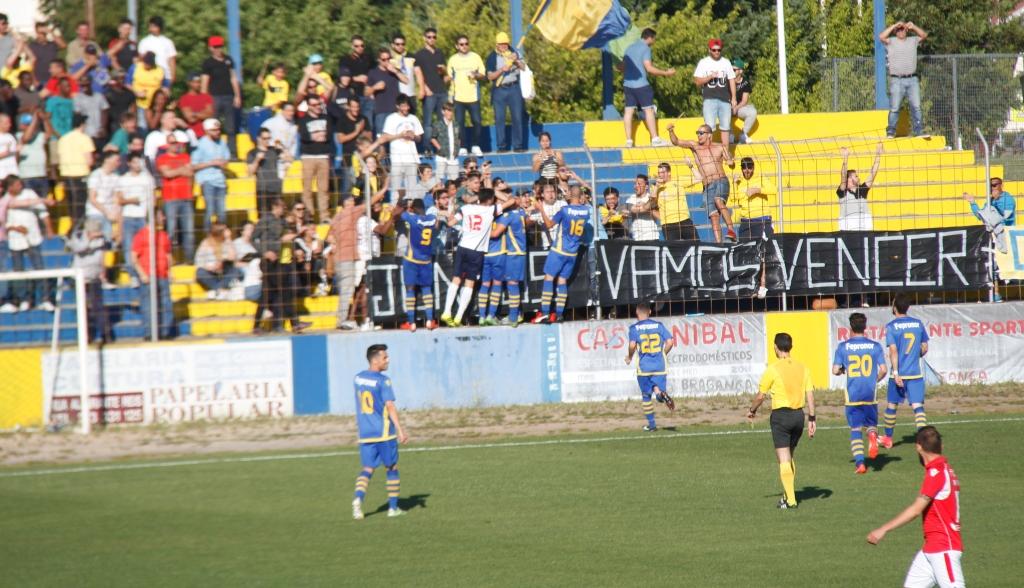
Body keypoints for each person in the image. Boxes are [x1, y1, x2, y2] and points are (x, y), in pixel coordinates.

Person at [867, 426, 964, 587]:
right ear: (941, 446)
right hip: (931, 549)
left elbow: (916, 510)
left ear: (918, 447)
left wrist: (883, 529)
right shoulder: (943, 469)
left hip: (943, 549)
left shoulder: (936, 473)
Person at [747, 332, 816, 509]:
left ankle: (791, 500)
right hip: (798, 416)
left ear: (776, 347)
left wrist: (752, 410)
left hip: (781, 417)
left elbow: (760, 396)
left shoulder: (773, 369)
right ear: (790, 347)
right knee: (789, 456)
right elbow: (810, 393)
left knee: (783, 458)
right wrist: (812, 417)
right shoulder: (803, 368)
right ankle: (787, 496)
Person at [351, 343, 409, 520]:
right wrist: (400, 429)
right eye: (385, 357)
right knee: (391, 467)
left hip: (365, 433)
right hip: (383, 433)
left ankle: (358, 499)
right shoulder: (384, 381)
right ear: (375, 361)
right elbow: (390, 406)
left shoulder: (357, 378)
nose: (388, 360)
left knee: (367, 469)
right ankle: (393, 508)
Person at [441, 188, 514, 326]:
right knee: (469, 283)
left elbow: (450, 223)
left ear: (479, 197)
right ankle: (458, 317)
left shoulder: (466, 208)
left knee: (456, 279)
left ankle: (446, 312)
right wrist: (496, 191)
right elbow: (511, 201)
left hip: (462, 247)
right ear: (491, 199)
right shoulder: (491, 210)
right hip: (476, 251)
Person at [832, 312, 888, 474]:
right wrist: (874, 380)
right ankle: (872, 436)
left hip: (853, 394)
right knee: (871, 424)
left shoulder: (843, 347)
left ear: (850, 327)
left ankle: (860, 463)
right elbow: (884, 370)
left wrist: (842, 370)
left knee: (855, 429)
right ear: (865, 327)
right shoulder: (875, 346)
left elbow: (835, 370)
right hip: (870, 393)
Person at [328, 188, 388, 330]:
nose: (353, 203)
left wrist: (334, 243)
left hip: (348, 257)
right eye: (350, 200)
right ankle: (347, 320)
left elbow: (329, 235)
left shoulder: (339, 217)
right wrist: (385, 188)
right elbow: (371, 204)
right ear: (344, 203)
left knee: (352, 290)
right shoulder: (354, 215)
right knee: (354, 290)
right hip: (353, 257)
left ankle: (348, 319)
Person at [667, 123, 737, 242]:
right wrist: (671, 131)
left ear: (709, 135)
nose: (698, 135)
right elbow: (676, 141)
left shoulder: (720, 147)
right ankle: (719, 243)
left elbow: (731, 162)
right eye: (697, 133)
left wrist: (731, 162)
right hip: (707, 185)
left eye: (701, 133)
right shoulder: (694, 146)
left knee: (718, 200)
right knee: (714, 216)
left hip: (720, 180)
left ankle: (731, 230)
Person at [531, 186, 591, 324]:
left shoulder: (564, 210)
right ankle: (559, 314)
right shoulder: (586, 211)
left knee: (549, 278)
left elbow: (549, 225)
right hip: (573, 253)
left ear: (570, 194)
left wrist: (541, 209)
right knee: (562, 281)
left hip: (559, 250)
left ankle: (545, 312)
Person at [881, 293, 930, 448]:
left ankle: (888, 439)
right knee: (918, 407)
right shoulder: (918, 324)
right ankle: (923, 440)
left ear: (895, 307)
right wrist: (914, 354)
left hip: (898, 374)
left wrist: (896, 372)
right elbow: (924, 347)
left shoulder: (891, 326)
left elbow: (893, 351)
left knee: (892, 406)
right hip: (915, 373)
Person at [4, 174, 54, 312]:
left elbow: (42, 212)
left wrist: (49, 228)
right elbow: (4, 220)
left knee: (39, 268)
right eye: (17, 185)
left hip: (33, 237)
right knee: (18, 271)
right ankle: (22, 300)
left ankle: (45, 299)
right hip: (15, 240)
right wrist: (15, 228)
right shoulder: (5, 199)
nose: (21, 186)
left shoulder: (30, 193)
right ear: (10, 187)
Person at [624, 303, 676, 431]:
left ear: (637, 312)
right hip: (660, 366)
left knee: (646, 396)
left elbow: (632, 345)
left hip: (644, 368)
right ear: (650, 312)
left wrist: (629, 356)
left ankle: (652, 425)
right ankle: (662, 394)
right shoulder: (659, 326)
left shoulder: (634, 328)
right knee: (657, 389)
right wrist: (663, 354)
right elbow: (670, 342)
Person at [620, 28, 674, 148]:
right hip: (641, 85)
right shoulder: (645, 48)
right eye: (654, 39)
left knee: (628, 111)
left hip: (628, 85)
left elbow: (622, 67)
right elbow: (649, 68)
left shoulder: (629, 48)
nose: (654, 41)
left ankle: (628, 141)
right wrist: (666, 73)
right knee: (648, 110)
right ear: (650, 37)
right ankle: (655, 139)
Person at [880, 21, 928, 139]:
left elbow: (924, 35)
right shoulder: (891, 41)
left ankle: (919, 131)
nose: (900, 32)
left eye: (902, 29)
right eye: (898, 30)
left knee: (916, 106)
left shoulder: (913, 40)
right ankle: (891, 132)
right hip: (897, 80)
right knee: (895, 107)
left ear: (906, 30)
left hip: (912, 79)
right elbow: (881, 36)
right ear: (895, 32)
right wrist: (894, 26)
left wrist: (913, 26)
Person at [132, 207, 174, 339]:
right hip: (148, 275)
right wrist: (142, 274)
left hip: (163, 275)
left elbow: (168, 254)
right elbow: (134, 257)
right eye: (161, 216)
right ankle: (149, 333)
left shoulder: (163, 235)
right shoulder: (141, 235)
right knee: (148, 305)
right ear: (153, 217)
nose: (164, 218)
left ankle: (165, 332)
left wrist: (170, 271)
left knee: (166, 304)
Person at [489, 191, 530, 325]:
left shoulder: (508, 216)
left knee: (512, 284)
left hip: (514, 253)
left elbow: (495, 233)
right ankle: (516, 314)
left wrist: (477, 232)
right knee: (513, 284)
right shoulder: (521, 213)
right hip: (519, 252)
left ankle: (513, 317)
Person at [398, 199, 439, 331]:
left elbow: (399, 213)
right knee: (427, 289)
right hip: (426, 260)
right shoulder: (431, 219)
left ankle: (411, 322)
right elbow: (436, 221)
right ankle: (430, 320)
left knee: (410, 289)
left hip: (411, 260)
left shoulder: (412, 218)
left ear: (413, 208)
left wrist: (404, 205)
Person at [115, 153, 154, 285]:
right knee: (129, 247)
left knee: (145, 247)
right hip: (128, 217)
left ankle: (145, 272)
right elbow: (119, 200)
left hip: (143, 217)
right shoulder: (123, 179)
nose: (138, 165)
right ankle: (133, 275)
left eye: (140, 162)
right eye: (135, 162)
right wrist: (131, 200)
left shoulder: (147, 179)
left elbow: (153, 199)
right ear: (129, 163)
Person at [201, 35, 241, 158]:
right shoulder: (208, 63)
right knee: (213, 125)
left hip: (228, 96)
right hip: (214, 97)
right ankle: (212, 153)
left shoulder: (228, 60)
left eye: (220, 46)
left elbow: (233, 78)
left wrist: (237, 95)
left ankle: (232, 153)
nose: (218, 49)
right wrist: (204, 98)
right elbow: (205, 81)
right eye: (215, 47)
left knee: (230, 127)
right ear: (210, 48)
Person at [156, 130, 194, 259]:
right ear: (167, 144)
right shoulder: (162, 159)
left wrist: (174, 171)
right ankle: (167, 258)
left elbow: (190, 172)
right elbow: (166, 174)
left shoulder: (185, 156)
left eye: (176, 142)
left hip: (186, 197)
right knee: (170, 231)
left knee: (189, 231)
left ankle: (189, 259)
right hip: (170, 198)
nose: (175, 145)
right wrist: (182, 170)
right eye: (172, 143)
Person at [485, 32, 526, 152]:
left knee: (517, 117)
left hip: (514, 88)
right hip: (499, 90)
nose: (504, 46)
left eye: (506, 43)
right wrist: (502, 70)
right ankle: (501, 146)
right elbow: (490, 76)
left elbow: (524, 67)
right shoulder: (492, 57)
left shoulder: (514, 53)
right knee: (500, 118)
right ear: (497, 45)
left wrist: (516, 61)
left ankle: (518, 145)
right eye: (501, 44)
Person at [693, 38, 736, 152]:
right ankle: (709, 154)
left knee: (725, 127)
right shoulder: (704, 63)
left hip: (724, 99)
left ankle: (726, 154)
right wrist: (710, 77)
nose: (716, 52)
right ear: (709, 50)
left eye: (719, 50)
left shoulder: (726, 62)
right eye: (714, 50)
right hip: (709, 99)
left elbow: (731, 79)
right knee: (709, 128)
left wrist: (734, 98)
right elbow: (697, 81)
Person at [447, 35, 486, 157]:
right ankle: (463, 146)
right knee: (459, 123)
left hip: (473, 96)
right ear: (457, 46)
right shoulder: (452, 60)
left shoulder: (475, 57)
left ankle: (475, 145)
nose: (464, 46)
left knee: (477, 121)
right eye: (461, 44)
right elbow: (449, 78)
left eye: (466, 44)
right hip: (458, 97)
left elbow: (483, 75)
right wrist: (450, 96)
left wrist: (476, 75)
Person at [297, 94, 333, 224]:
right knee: (307, 189)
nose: (317, 107)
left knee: (323, 188)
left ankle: (324, 216)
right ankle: (309, 216)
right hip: (308, 157)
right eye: (314, 105)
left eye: (319, 104)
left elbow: (328, 135)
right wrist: (317, 135)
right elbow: (305, 136)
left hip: (323, 156)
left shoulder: (326, 118)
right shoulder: (303, 120)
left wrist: (314, 135)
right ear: (308, 106)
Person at [413, 27, 449, 155]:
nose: (432, 39)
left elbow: (444, 74)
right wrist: (424, 88)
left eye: (434, 37)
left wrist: (443, 71)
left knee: (442, 122)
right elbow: (418, 73)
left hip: (442, 91)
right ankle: (427, 147)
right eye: (429, 37)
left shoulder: (440, 53)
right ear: (424, 38)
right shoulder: (419, 54)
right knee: (428, 122)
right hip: (429, 93)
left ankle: (443, 147)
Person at [191, 118, 230, 230]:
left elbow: (226, 159)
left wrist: (223, 163)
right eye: (214, 130)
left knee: (222, 212)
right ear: (207, 131)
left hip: (220, 181)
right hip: (207, 181)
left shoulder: (222, 143)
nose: (217, 132)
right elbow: (194, 165)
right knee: (210, 211)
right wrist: (212, 163)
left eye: (218, 129)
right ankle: (208, 235)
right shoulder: (200, 144)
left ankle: (221, 235)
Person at [57, 113, 95, 227]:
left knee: (71, 205)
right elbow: (89, 160)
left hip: (66, 175)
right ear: (82, 124)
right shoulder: (84, 138)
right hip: (80, 174)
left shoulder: (63, 138)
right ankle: (79, 228)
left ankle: (74, 226)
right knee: (80, 205)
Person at [85, 151, 121, 260]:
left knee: (109, 244)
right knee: (93, 242)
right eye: (116, 160)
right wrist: (107, 212)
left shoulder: (116, 177)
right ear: (107, 159)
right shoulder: (96, 175)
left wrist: (115, 212)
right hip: (94, 213)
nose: (118, 163)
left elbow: (116, 197)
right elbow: (92, 198)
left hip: (109, 214)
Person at [837, 144, 882, 231]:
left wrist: (878, 155)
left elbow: (873, 174)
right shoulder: (843, 192)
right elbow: (843, 175)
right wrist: (846, 157)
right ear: (849, 179)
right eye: (856, 176)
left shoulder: (862, 190)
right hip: (848, 230)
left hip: (864, 228)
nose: (858, 178)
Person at [194, 222, 241, 299]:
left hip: (223, 272)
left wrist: (228, 239)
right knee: (200, 273)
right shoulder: (206, 243)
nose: (228, 231)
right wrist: (210, 267)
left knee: (235, 270)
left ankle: (217, 291)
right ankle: (220, 289)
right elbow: (198, 262)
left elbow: (233, 257)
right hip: (210, 272)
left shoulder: (226, 242)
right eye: (225, 230)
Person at [653, 162, 697, 241]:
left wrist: (691, 166)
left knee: (696, 246)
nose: (660, 175)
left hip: (684, 221)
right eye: (659, 173)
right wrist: (656, 186)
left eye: (663, 172)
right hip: (668, 225)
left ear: (669, 173)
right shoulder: (655, 187)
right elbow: (652, 203)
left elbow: (699, 178)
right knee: (674, 249)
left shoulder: (678, 181)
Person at [338, 36, 374, 131]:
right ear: (352, 46)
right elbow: (342, 78)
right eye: (357, 46)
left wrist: (373, 89)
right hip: (354, 95)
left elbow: (374, 74)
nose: (360, 48)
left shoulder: (368, 58)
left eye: (362, 46)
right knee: (354, 125)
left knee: (368, 125)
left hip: (368, 96)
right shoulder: (345, 59)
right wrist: (356, 78)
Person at [247, 128, 284, 214]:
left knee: (278, 214)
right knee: (264, 215)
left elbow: (289, 159)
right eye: (264, 138)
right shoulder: (252, 152)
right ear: (258, 138)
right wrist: (257, 160)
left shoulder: (274, 150)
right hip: (263, 189)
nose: (267, 141)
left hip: (276, 188)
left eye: (269, 138)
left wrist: (283, 148)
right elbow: (250, 172)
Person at [128, 52, 165, 132]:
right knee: (142, 127)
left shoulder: (160, 70)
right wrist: (136, 92)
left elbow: (164, 86)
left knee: (154, 127)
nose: (147, 65)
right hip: (140, 103)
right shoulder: (135, 67)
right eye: (145, 63)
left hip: (154, 105)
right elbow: (127, 84)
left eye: (149, 64)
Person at [137, 16, 177, 83]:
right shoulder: (144, 42)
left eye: (154, 26)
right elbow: (141, 59)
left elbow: (172, 60)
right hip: (149, 76)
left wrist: (172, 76)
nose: (152, 29)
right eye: (150, 26)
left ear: (160, 27)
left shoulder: (168, 42)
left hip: (165, 76)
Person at [178, 72, 214, 141]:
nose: (198, 84)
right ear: (189, 83)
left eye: (199, 82)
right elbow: (190, 119)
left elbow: (210, 114)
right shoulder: (184, 98)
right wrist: (204, 113)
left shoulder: (206, 97)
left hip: (207, 135)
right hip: (192, 135)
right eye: (195, 82)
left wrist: (194, 114)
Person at [28, 22, 65, 86]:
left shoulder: (52, 45)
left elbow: (63, 45)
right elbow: (30, 65)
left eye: (43, 33)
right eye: (39, 33)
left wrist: (50, 32)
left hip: (54, 79)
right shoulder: (32, 46)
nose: (41, 35)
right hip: (39, 80)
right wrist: (33, 80)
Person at [431, 102, 460, 180]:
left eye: (451, 111)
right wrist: (440, 148)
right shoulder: (437, 124)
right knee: (439, 180)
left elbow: (458, 138)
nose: (450, 113)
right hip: (441, 157)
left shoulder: (456, 124)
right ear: (443, 111)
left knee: (454, 180)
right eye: (448, 110)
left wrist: (457, 149)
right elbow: (433, 138)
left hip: (453, 157)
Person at [731, 59, 756, 144]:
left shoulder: (745, 82)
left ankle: (743, 135)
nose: (732, 71)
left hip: (739, 107)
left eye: (734, 70)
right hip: (728, 107)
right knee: (722, 109)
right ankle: (730, 135)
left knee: (752, 112)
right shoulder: (726, 81)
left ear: (740, 71)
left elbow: (744, 101)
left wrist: (736, 108)